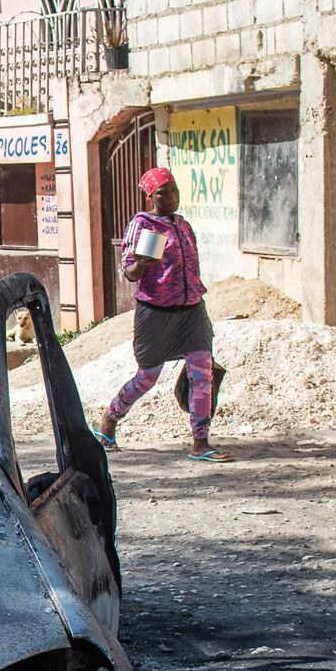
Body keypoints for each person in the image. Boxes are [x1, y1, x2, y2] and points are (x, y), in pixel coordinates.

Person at [96, 165, 222, 462]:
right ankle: (110, 418)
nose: (171, 197)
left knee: (202, 373)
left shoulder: (184, 225)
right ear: (151, 197)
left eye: (174, 191)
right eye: (163, 193)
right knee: (148, 377)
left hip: (192, 310)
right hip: (156, 312)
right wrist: (141, 264)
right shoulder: (143, 224)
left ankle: (201, 442)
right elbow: (129, 272)